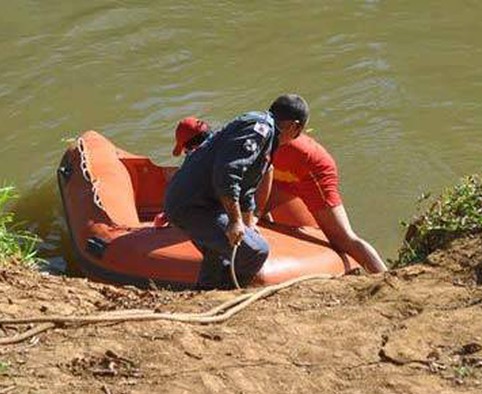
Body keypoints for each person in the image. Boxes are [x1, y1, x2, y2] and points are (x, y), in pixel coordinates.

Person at [164, 94, 307, 289]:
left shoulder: (266, 136)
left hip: (198, 202)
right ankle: (228, 293)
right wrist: (235, 221)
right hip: (193, 205)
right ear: (294, 126)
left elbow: (247, 189)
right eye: (299, 132)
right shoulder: (260, 130)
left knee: (219, 254)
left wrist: (248, 223)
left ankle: (207, 293)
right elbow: (228, 173)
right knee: (256, 250)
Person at [257, 129, 388, 274]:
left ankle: (383, 276)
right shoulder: (260, 138)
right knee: (257, 212)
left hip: (313, 176)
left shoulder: (272, 142)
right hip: (285, 175)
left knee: (342, 238)